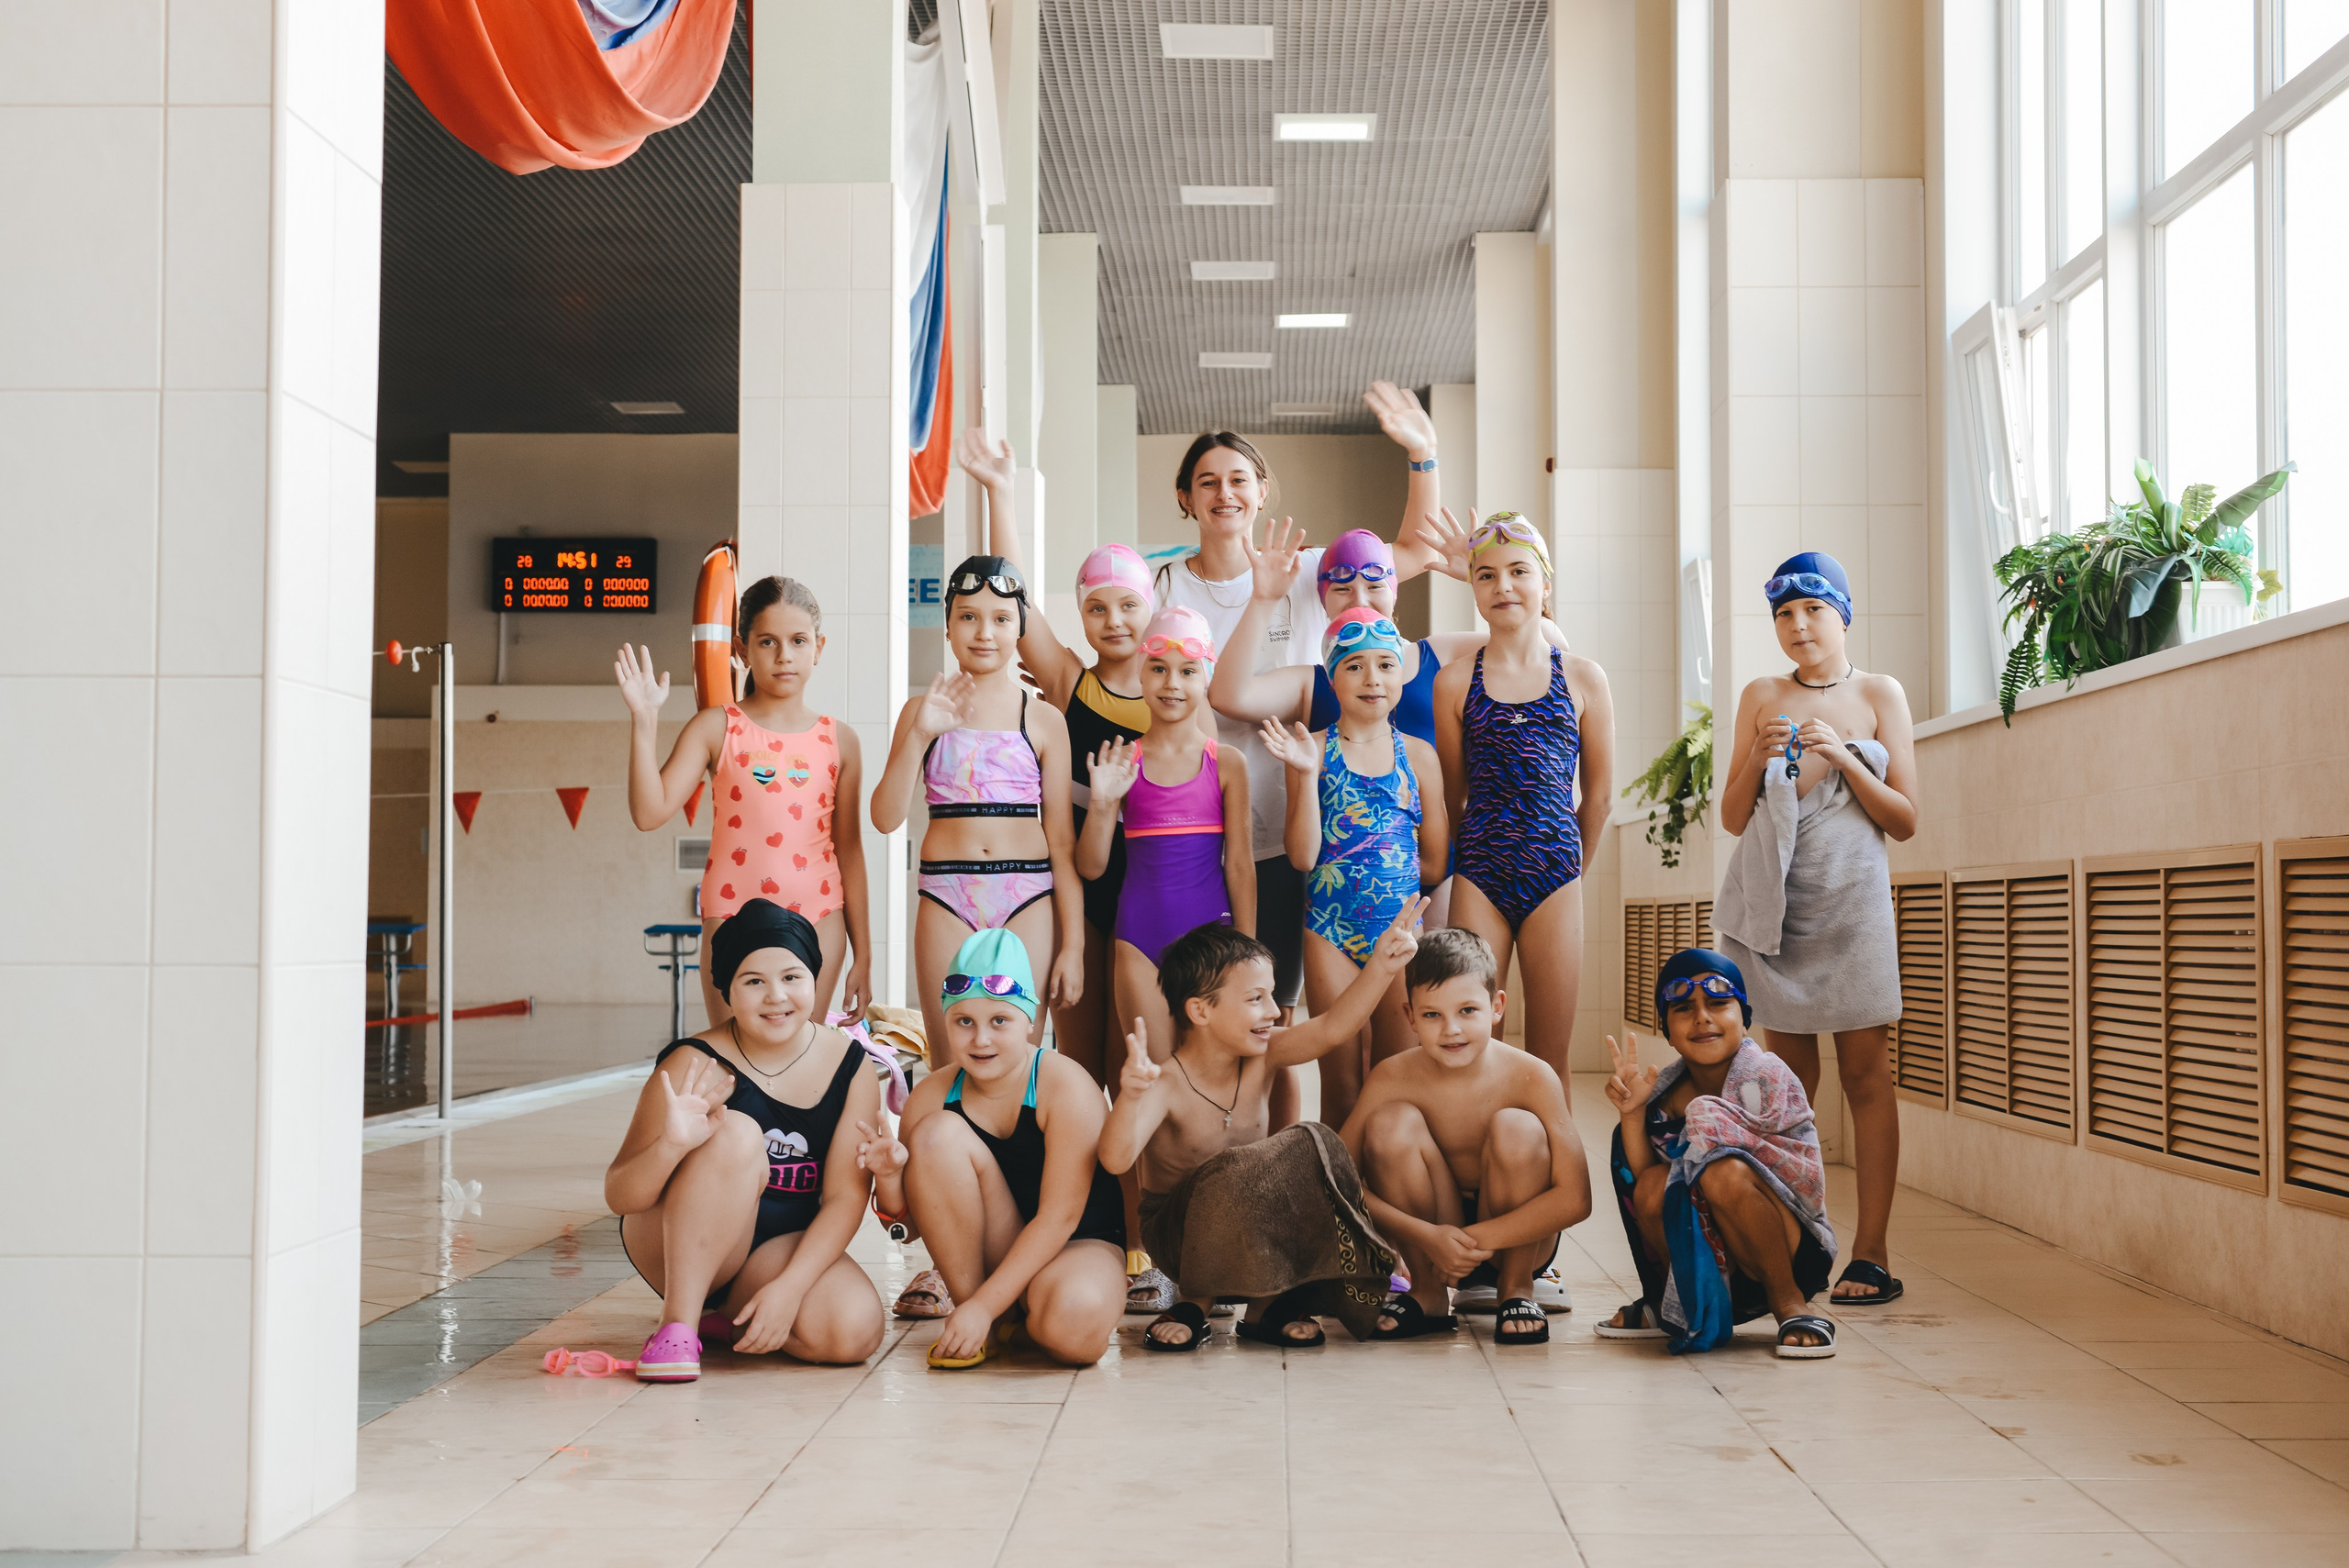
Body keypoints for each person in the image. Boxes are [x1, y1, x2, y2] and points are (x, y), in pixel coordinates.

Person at [1152, 386, 1452, 1123]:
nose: (1225, 492)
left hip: (1294, 837)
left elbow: (1409, 549)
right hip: (1203, 831)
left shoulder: (1313, 569)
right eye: (1209, 480)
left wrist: (1422, 453)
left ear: (1262, 492)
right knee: (1211, 1017)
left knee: (1276, 1021)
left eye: (1240, 478)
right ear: (1185, 497)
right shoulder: (1166, 585)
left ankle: (1282, 1168)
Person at [952, 430, 1168, 1312]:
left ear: (1151, 608)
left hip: (1151, 886)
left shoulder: (1173, 681)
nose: (1113, 622)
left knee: (1140, 1064)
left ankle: (1148, 1241)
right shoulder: (1073, 682)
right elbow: (1016, 604)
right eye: (1097, 608)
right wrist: (1002, 493)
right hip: (1081, 880)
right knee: (1073, 1068)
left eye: (1127, 605)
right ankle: (1088, 1232)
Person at [1714, 550, 1918, 1307]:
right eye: (1783, 614)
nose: (1798, 627)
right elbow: (1734, 817)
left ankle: (1872, 1252)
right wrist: (1757, 760)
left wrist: (1848, 763)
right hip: (1781, 910)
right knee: (1790, 1085)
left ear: (1843, 615)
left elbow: (1905, 818)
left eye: (1813, 611)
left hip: (1855, 909)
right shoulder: (1761, 695)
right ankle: (1801, 1239)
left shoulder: (1877, 693)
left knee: (1870, 1077)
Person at [1101, 901, 1427, 1351]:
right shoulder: (1166, 1084)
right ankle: (1195, 1304)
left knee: (1313, 1144)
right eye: (1256, 999)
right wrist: (1131, 1097)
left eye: (1272, 995)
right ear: (1200, 1012)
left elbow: (1334, 1028)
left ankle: (1266, 1307)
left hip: (1252, 1232)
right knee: (1239, 1169)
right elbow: (1115, 1158)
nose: (1274, 1011)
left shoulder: (1265, 1054)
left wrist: (1382, 966)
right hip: (1181, 1239)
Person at [603, 899, 886, 1382]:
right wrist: (671, 1145)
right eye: (753, 981)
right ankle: (677, 1326)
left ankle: (726, 1322)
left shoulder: (851, 1066)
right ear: (728, 992)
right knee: (733, 1131)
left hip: (773, 1249)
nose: (776, 996)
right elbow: (621, 1196)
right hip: (675, 1245)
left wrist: (790, 1290)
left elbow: (844, 1198)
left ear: (815, 979)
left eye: (792, 977)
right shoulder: (694, 1063)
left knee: (851, 1332)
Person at [855, 928, 1130, 1368]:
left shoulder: (1066, 1086)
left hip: (1077, 1244)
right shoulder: (931, 1098)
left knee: (1073, 1330)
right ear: (946, 1022)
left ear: (1030, 1021)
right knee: (935, 1133)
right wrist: (888, 1178)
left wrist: (980, 1308)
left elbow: (1060, 1218)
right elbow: (910, 1228)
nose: (980, 1040)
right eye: (964, 1022)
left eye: (999, 1021)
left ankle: (999, 1318)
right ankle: (994, 1318)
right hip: (998, 1247)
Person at [618, 576, 872, 1027]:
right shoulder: (716, 728)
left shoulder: (841, 740)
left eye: (798, 641)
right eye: (767, 642)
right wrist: (644, 721)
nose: (784, 656)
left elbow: (849, 849)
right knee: (735, 1063)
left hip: (820, 913)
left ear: (819, 647)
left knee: (802, 1062)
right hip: (732, 912)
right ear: (742, 649)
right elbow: (648, 812)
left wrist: (864, 955)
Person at [1432, 511, 1615, 1092]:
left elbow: (1601, 794)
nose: (1503, 586)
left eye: (1518, 571)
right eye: (1485, 575)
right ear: (1473, 589)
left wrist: (1570, 868)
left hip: (1555, 874)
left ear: (1545, 582)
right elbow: (1451, 792)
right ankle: (1484, 1180)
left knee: (1548, 1059)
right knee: (1472, 1050)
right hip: (1481, 871)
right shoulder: (1456, 681)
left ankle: (1559, 1182)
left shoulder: (1583, 678)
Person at [1341, 929, 1590, 1345]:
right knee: (1390, 1124)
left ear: (1497, 1007)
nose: (1451, 1030)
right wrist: (1426, 1238)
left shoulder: (1531, 1075)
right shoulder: (1393, 1077)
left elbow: (1576, 1198)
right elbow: (1337, 1180)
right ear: (1410, 1016)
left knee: (1517, 1126)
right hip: (1433, 1243)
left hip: (1521, 1242)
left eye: (1468, 1010)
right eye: (1432, 1015)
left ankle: (1516, 1290)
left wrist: (1474, 1241)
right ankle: (1428, 1294)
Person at [1595, 949, 1839, 1359]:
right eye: (1684, 1008)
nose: (1702, 1018)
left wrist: (1714, 1137)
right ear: (1668, 1032)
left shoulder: (1767, 1078)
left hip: (1790, 1248)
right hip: (1712, 1264)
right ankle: (1681, 1301)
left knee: (1722, 1171)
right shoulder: (1663, 1096)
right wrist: (1635, 1113)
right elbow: (1645, 1191)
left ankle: (1789, 1302)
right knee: (1655, 1182)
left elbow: (1801, 1179)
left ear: (1744, 1019)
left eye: (1718, 1004)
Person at [1258, 607, 1448, 1130]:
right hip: (1329, 933)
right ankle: (1335, 1206)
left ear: (1401, 676)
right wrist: (1301, 774)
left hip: (1401, 932)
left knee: (1394, 1079)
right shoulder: (1312, 749)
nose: (1372, 678)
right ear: (1332, 677)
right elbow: (1302, 856)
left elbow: (1435, 858)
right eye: (1355, 666)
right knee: (1340, 1086)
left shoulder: (1420, 756)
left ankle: (1381, 1202)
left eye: (1386, 664)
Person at [1078, 606, 1254, 1068]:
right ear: (1141, 673)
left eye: (1187, 671)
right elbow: (1091, 867)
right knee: (1153, 1080)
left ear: (1205, 679)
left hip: (1213, 939)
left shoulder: (1228, 763)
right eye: (1158, 669)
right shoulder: (1122, 760)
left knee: (1210, 1079)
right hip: (1138, 941)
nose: (1172, 683)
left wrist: (1250, 954)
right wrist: (1101, 804)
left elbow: (1238, 864)